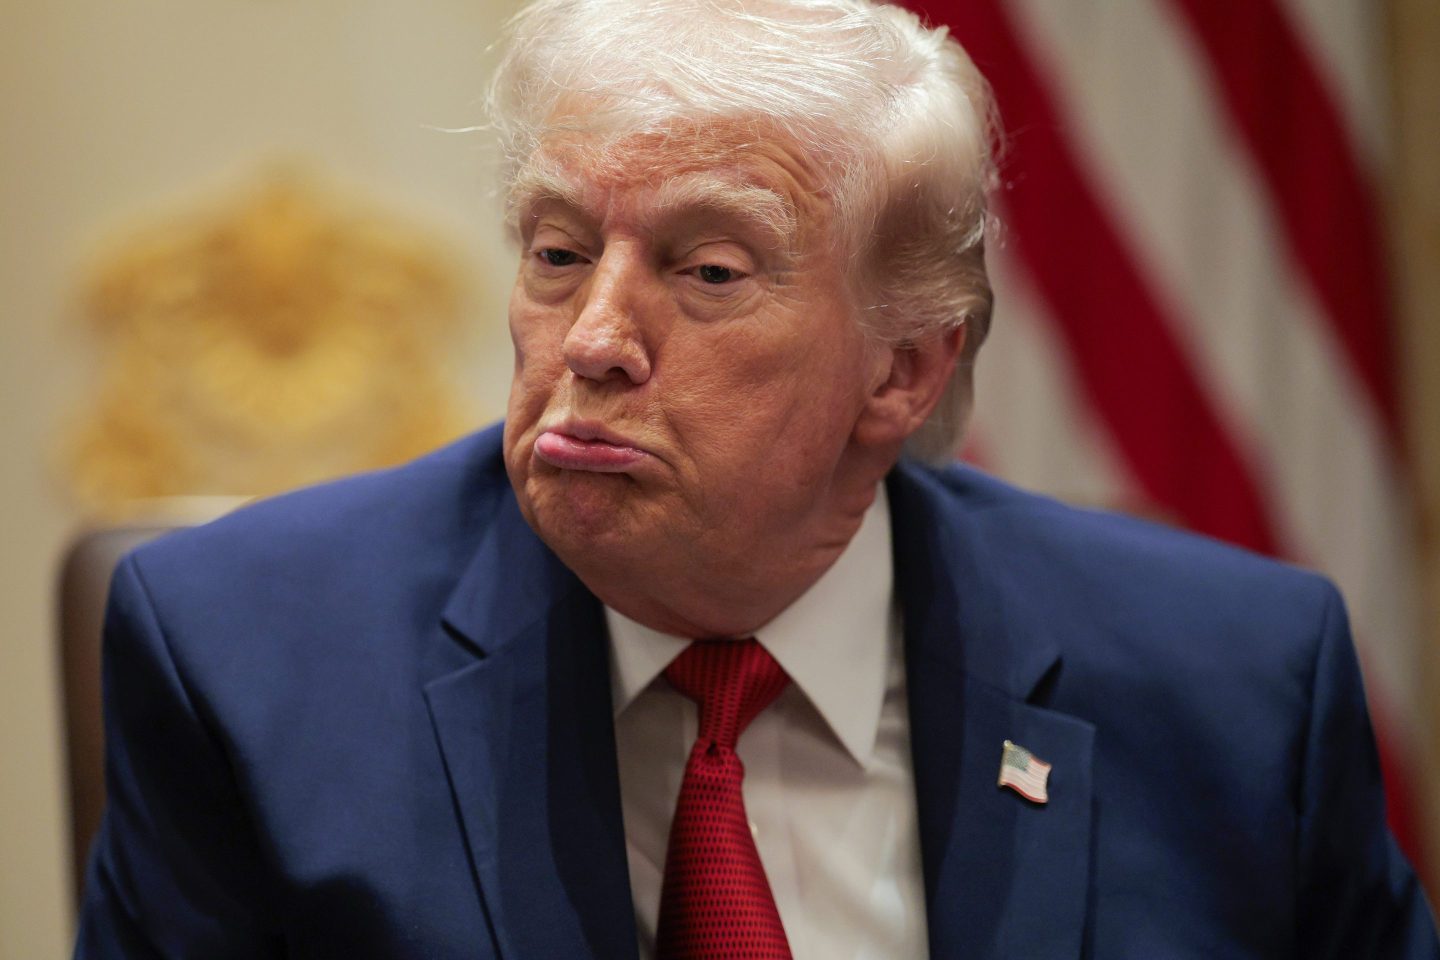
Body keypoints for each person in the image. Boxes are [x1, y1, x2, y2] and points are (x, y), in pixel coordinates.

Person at [76, 0, 1439, 957]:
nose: (593, 342)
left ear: (903, 368)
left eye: (707, 271)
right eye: (557, 253)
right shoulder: (246, 664)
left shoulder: (1232, 685)